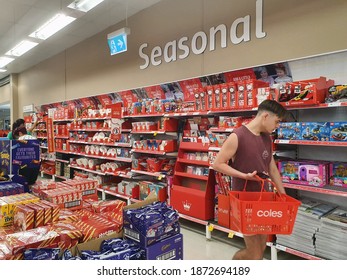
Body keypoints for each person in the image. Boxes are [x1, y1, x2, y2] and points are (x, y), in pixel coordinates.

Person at [212, 99, 287, 260]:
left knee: (260, 249)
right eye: (277, 121)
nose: (277, 126)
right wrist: (243, 175)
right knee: (254, 254)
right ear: (266, 116)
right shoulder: (237, 136)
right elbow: (217, 164)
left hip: (263, 199)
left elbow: (272, 168)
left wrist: (283, 194)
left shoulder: (267, 138)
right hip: (245, 200)